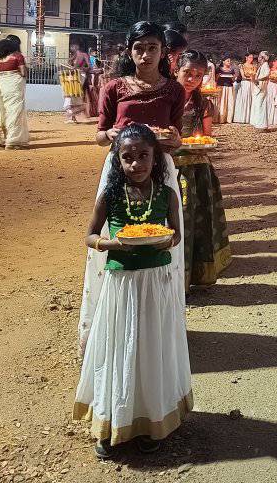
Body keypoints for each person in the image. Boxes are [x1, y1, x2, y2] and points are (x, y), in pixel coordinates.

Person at [73, 124, 193, 458]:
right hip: (121, 282)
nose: (136, 164)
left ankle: (151, 420)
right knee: (119, 347)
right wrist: (109, 244)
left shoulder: (167, 194)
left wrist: (164, 239)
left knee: (150, 347)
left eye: (143, 156)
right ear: (118, 160)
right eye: (127, 158)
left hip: (155, 283)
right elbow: (90, 235)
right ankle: (112, 422)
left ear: (155, 158)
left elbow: (176, 235)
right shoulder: (110, 195)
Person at [79, 21, 187, 353]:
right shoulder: (113, 88)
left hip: (161, 170)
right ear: (130, 51)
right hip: (119, 168)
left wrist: (173, 139)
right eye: (139, 48)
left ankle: (159, 329)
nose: (145, 55)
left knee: (165, 240)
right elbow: (99, 135)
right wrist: (109, 135)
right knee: (114, 237)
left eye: (152, 48)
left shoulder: (174, 90)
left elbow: (178, 138)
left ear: (162, 51)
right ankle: (106, 327)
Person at [174, 50, 232, 286]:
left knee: (198, 220)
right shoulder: (165, 99)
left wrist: (199, 143)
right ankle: (175, 275)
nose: (192, 79)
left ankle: (197, 273)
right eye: (187, 73)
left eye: (198, 75)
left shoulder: (203, 104)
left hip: (198, 169)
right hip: (172, 167)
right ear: (176, 70)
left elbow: (207, 137)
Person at [0, 36, 29, 149]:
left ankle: (1, 138)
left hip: (0, 87)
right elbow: (23, 73)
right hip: (14, 87)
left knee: (3, 112)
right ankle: (12, 141)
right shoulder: (17, 56)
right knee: (14, 113)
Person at [64, 44, 92, 124]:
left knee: (74, 94)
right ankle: (72, 117)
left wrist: (81, 69)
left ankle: (74, 116)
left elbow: (89, 66)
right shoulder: (73, 57)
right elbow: (69, 65)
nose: (71, 48)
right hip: (73, 76)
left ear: (76, 47)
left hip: (81, 75)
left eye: (72, 47)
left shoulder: (84, 55)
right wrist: (70, 68)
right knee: (70, 95)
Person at [249, 51, 271, 130]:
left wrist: (257, 79)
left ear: (263, 58)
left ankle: (262, 125)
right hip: (258, 86)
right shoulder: (261, 66)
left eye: (259, 57)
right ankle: (257, 124)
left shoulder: (265, 65)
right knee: (258, 105)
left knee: (260, 105)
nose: (258, 58)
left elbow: (267, 75)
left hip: (261, 87)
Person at [232, 53, 256, 123]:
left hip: (252, 84)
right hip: (245, 83)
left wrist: (253, 78)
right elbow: (243, 76)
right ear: (246, 58)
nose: (251, 59)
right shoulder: (242, 66)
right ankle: (242, 117)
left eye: (252, 58)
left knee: (251, 98)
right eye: (250, 57)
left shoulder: (254, 66)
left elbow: (254, 74)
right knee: (244, 98)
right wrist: (249, 77)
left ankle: (250, 117)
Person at [215, 57, 237, 124]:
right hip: (221, 86)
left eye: (230, 61)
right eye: (228, 61)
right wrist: (218, 76)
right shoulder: (219, 69)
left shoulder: (232, 70)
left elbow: (233, 80)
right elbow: (216, 79)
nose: (229, 62)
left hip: (229, 87)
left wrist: (233, 78)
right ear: (223, 62)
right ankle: (219, 118)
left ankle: (228, 118)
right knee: (220, 102)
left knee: (229, 102)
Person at [85, 48, 104, 119]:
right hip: (92, 73)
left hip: (91, 73)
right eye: (95, 52)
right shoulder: (93, 59)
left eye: (96, 52)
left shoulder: (92, 58)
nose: (96, 53)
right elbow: (95, 67)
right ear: (91, 52)